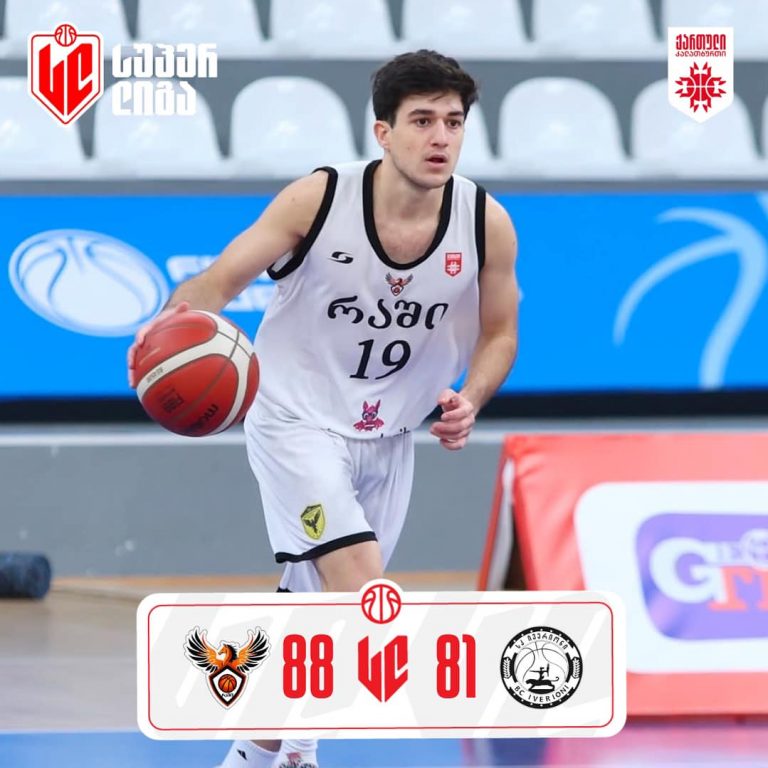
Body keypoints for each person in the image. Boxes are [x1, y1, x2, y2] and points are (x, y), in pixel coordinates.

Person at [128, 49, 519, 768]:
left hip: (390, 435)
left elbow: (500, 332)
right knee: (364, 590)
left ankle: (272, 751)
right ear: (383, 131)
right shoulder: (320, 199)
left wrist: (471, 397)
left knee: (316, 607)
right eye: (422, 120)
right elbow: (218, 281)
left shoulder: (485, 222)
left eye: (454, 122)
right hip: (295, 421)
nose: (440, 137)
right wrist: (168, 330)